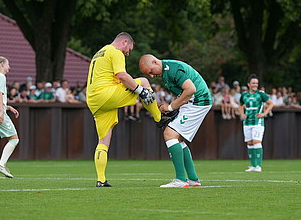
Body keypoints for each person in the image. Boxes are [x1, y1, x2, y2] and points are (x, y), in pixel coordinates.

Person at [86, 32, 173, 187]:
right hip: (105, 94)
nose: (128, 53)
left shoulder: (99, 53)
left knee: (103, 140)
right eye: (129, 49)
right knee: (145, 82)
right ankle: (159, 119)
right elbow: (122, 75)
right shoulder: (115, 51)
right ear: (125, 42)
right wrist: (141, 91)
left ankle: (101, 179)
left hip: (93, 100)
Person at [139, 54, 213, 188]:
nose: (151, 76)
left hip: (198, 101)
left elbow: (190, 89)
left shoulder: (172, 69)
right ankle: (193, 179)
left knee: (169, 134)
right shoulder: (167, 72)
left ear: (155, 62)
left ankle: (180, 179)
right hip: (193, 102)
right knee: (177, 139)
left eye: (150, 71)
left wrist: (171, 107)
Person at [238, 74, 274, 172]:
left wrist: (264, 113)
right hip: (247, 122)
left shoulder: (261, 94)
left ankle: (258, 165)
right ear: (248, 84)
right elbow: (240, 105)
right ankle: (253, 165)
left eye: (256, 83)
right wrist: (242, 114)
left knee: (256, 141)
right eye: (253, 83)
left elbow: (271, 103)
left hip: (257, 122)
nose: (255, 85)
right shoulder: (244, 95)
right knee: (249, 143)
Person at [0, 56, 20, 178]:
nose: (9, 67)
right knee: (14, 139)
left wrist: (7, 107)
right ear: (2, 64)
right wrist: (1, 111)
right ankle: (1, 165)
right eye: (8, 64)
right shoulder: (0, 76)